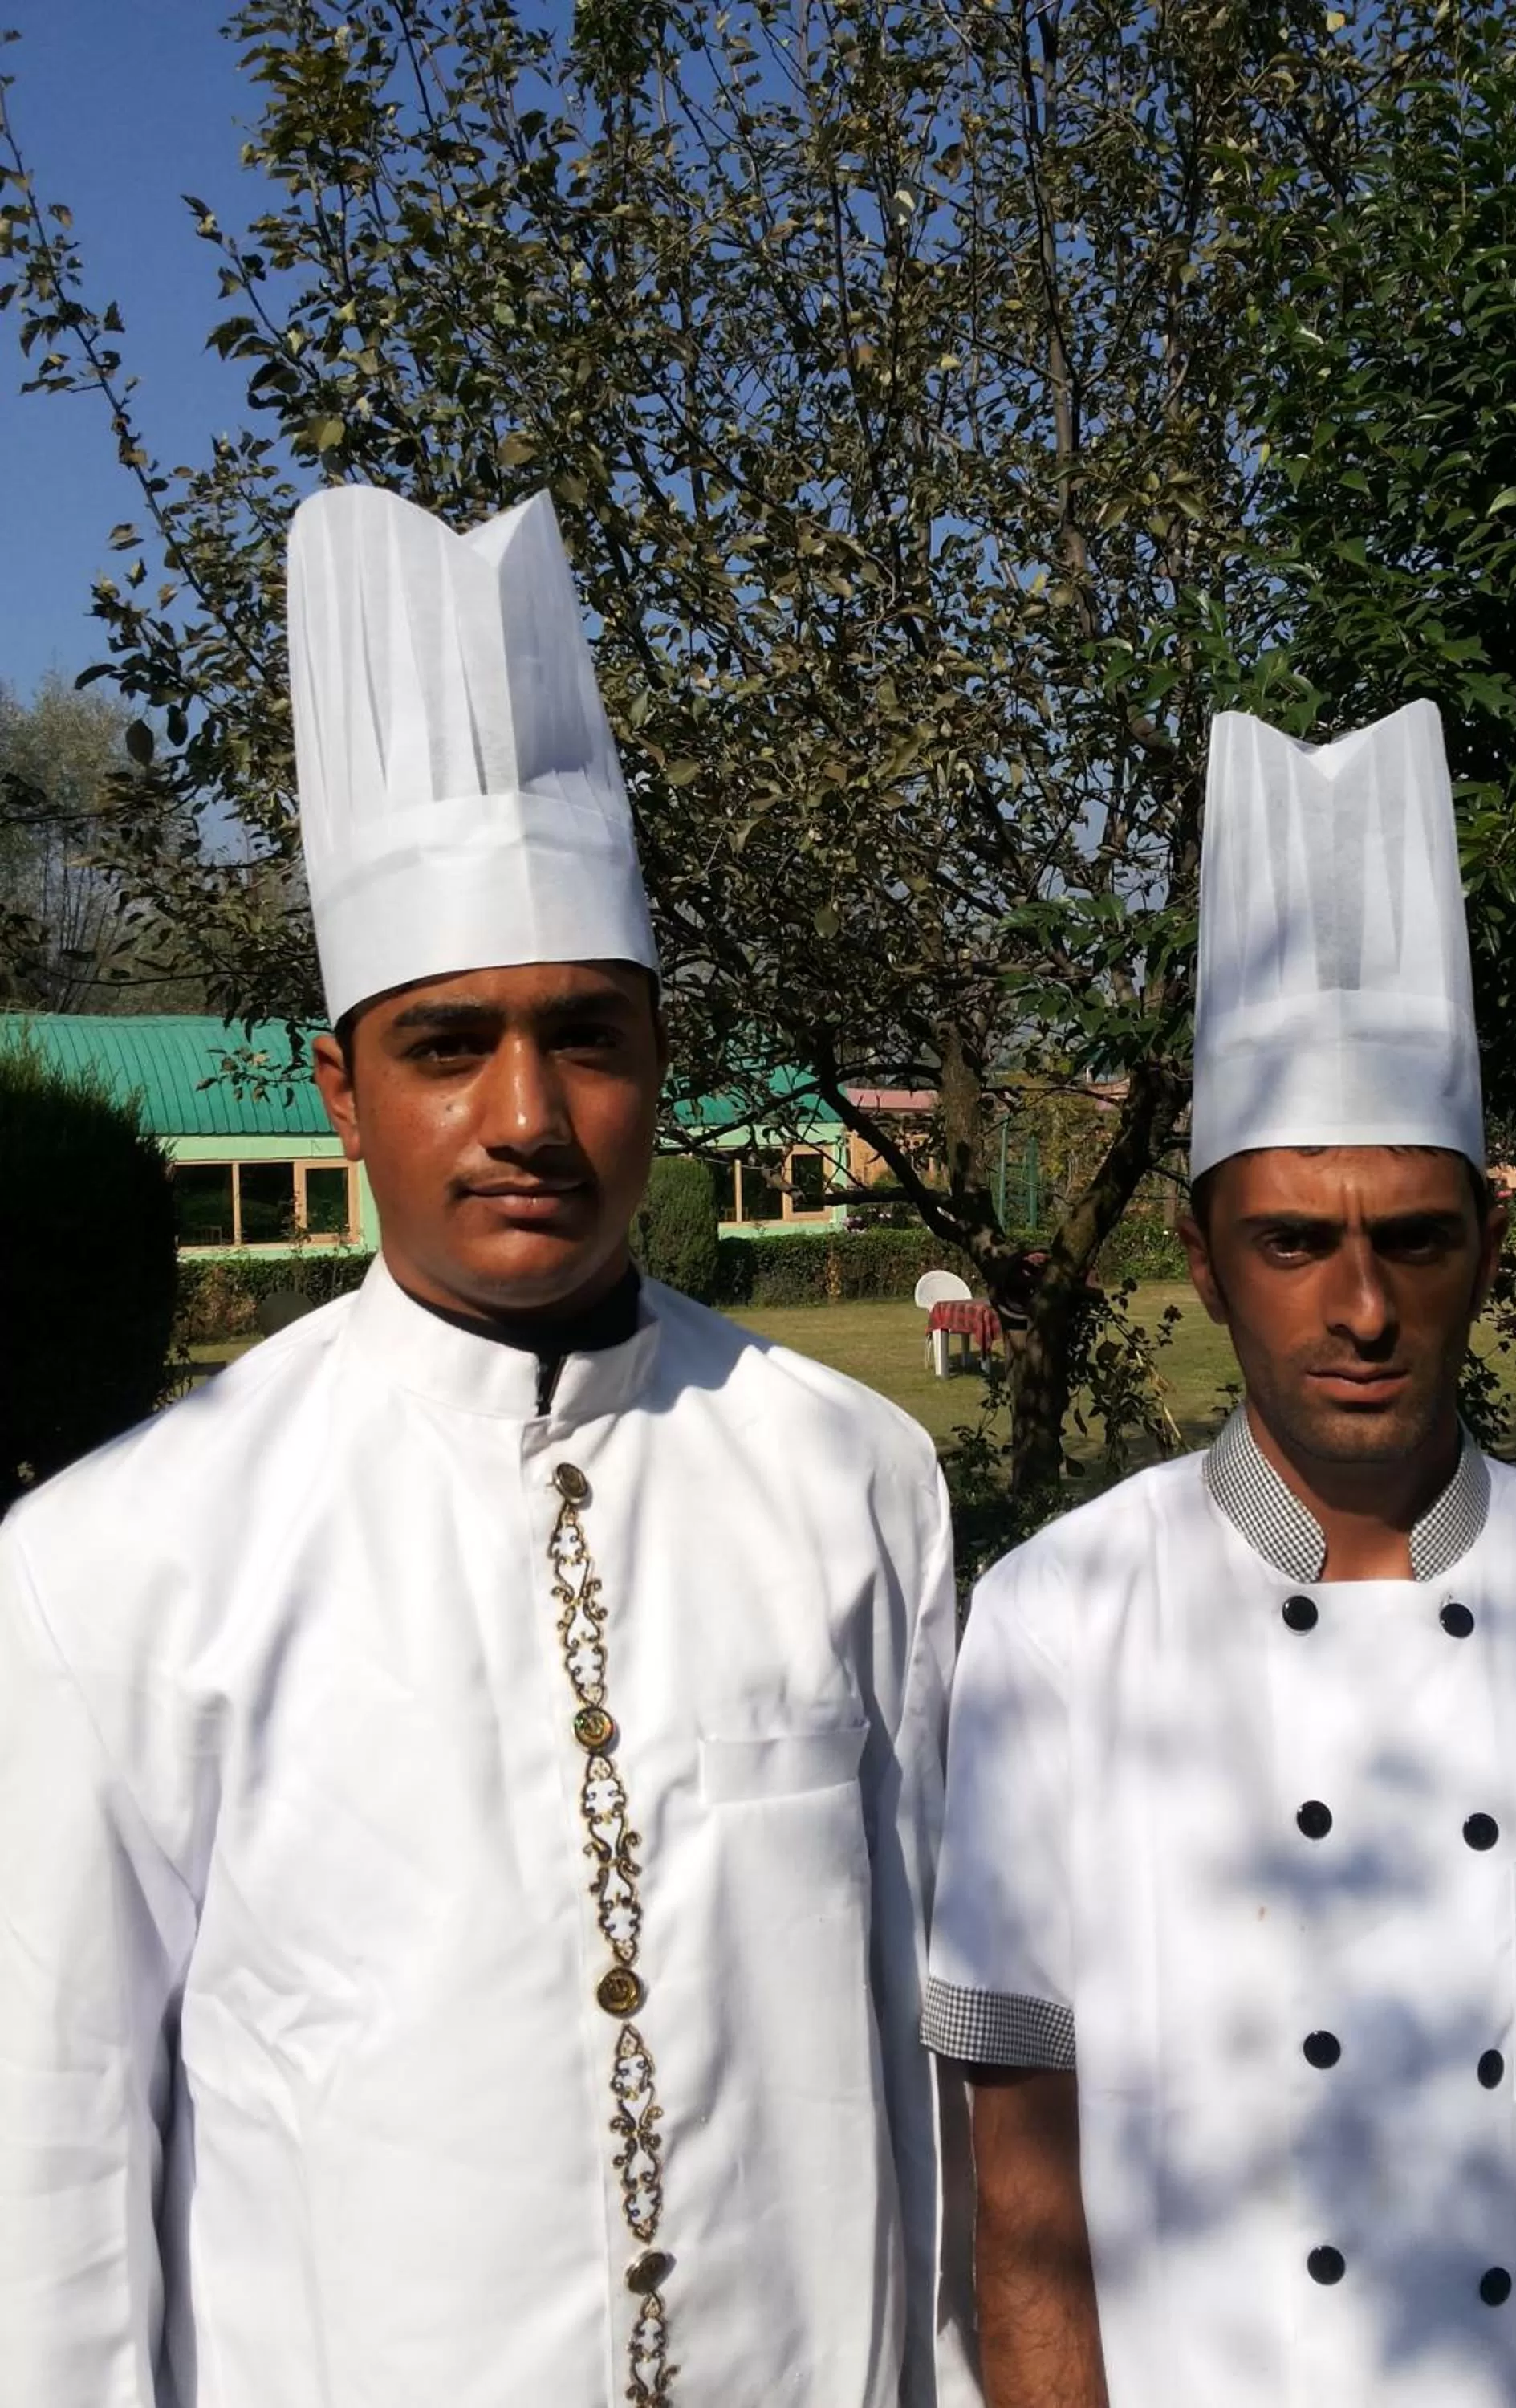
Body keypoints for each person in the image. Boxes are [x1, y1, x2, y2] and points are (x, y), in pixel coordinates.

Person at [0, 486, 977, 2407]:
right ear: (341, 1093)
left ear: (660, 1063)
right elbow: (57, 2167)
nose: (527, 1113)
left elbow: (922, 2057)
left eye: (586, 1037)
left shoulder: (852, 1478)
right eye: (449, 1044)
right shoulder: (125, 1557)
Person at [923, 700, 1516, 2407]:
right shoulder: (1058, 1625)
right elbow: (1021, 2193)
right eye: (1292, 1240)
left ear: (1487, 1239)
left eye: (1413, 1237)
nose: (1359, 1305)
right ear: (1200, 1249)